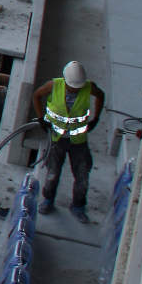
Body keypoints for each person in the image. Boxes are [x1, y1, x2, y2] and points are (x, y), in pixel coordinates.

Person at [32, 61, 105, 223]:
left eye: (77, 87)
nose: (75, 90)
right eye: (72, 87)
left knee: (82, 176)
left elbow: (101, 96)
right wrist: (41, 118)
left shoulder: (88, 87)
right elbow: (37, 95)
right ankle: (48, 200)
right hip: (57, 139)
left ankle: (78, 206)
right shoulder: (54, 85)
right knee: (52, 174)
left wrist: (96, 118)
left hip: (78, 140)